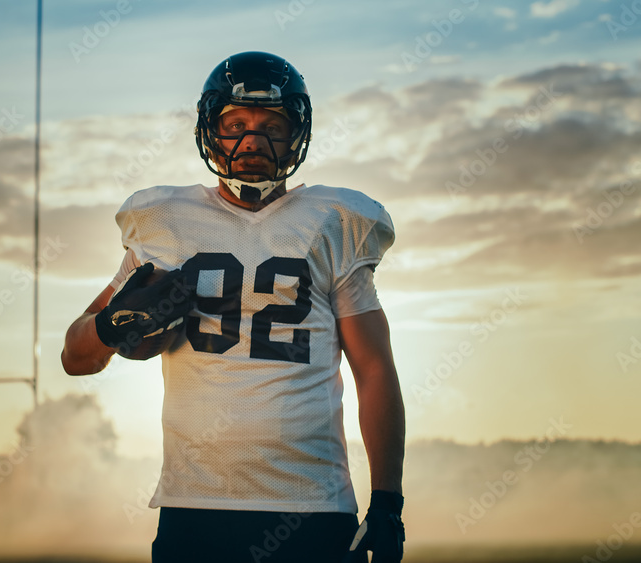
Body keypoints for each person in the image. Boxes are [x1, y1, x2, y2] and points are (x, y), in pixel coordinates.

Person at [61, 51, 406, 563]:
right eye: (236, 124)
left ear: (296, 136)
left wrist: (387, 502)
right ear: (210, 132)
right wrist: (114, 324)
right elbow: (76, 356)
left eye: (273, 125)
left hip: (311, 506)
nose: (253, 140)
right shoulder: (163, 221)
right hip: (193, 505)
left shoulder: (335, 220)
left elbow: (373, 369)